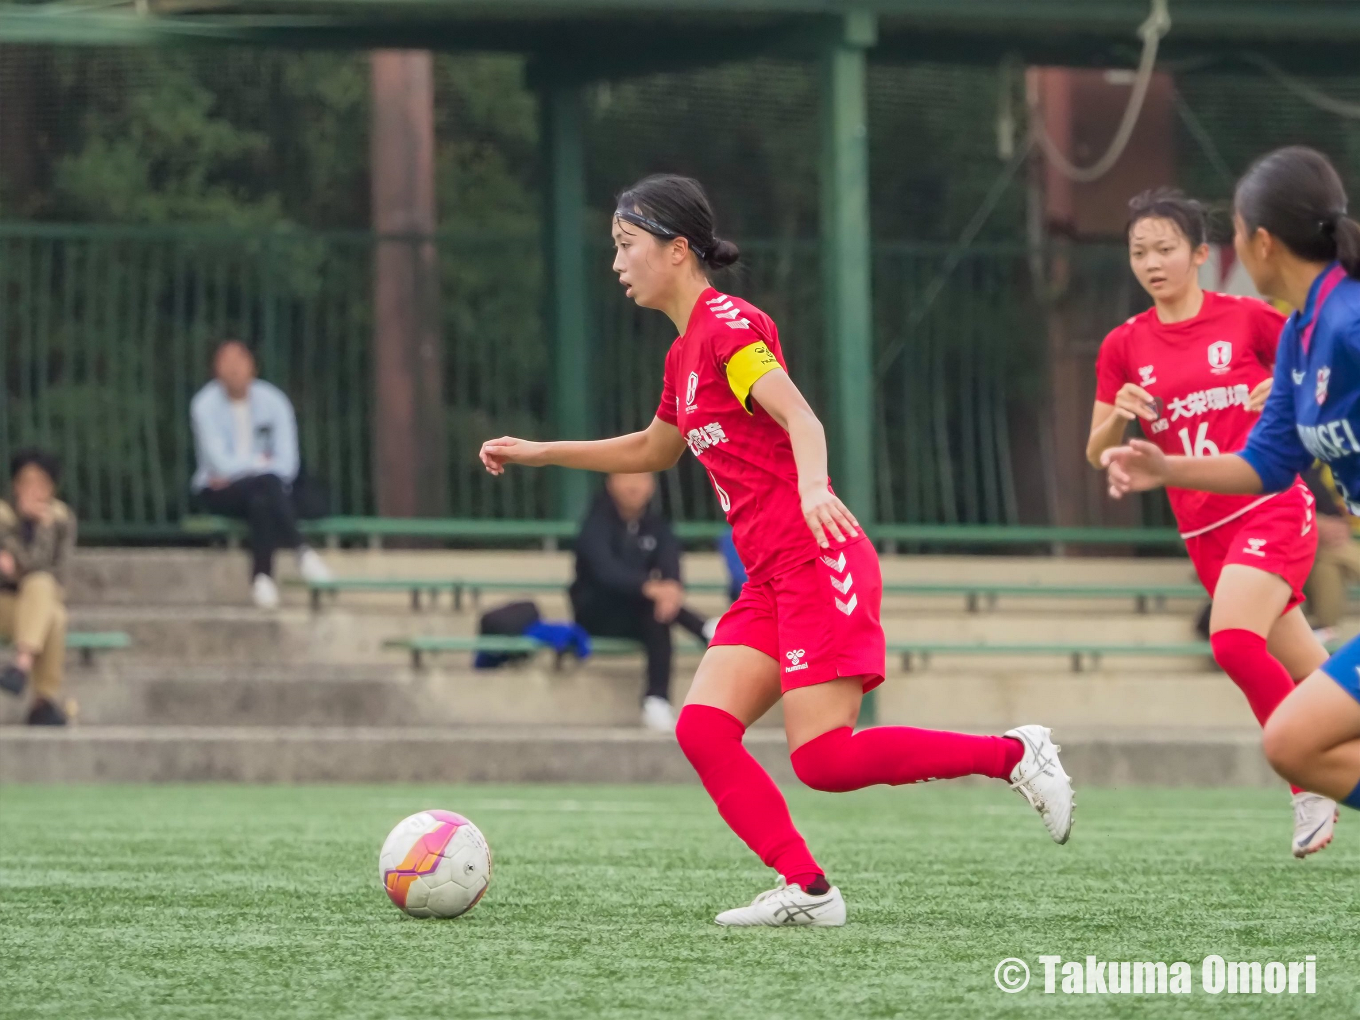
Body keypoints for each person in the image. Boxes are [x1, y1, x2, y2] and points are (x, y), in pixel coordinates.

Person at [481, 173, 1074, 927]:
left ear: (678, 248)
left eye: (627, 246)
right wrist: (540, 452)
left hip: (817, 559)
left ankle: (1015, 755)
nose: (617, 263)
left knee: (823, 761)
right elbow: (653, 449)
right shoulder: (682, 355)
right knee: (702, 728)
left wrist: (816, 487)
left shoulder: (729, 327)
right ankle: (809, 889)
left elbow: (801, 417)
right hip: (769, 577)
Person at [1104, 145, 1360, 826]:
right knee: (1296, 730)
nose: (1153, 262)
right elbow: (1265, 462)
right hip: (1208, 527)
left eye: (1166, 247)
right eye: (1139, 251)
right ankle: (1306, 786)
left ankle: (1307, 797)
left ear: (1252, 243)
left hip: (1268, 520)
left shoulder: (1333, 322)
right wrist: (1159, 467)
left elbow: (1273, 480)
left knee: (1234, 645)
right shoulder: (1304, 335)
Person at [191, 340, 331, 609]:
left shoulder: (274, 401)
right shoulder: (204, 405)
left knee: (262, 499)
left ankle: (263, 580)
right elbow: (220, 464)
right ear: (216, 370)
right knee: (267, 484)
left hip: (266, 489)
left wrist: (251, 469)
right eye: (226, 362)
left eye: (239, 361)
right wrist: (261, 463)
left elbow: (288, 463)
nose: (234, 369)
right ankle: (302, 552)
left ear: (252, 367)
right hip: (219, 488)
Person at [571, 472, 711, 732]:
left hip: (641, 614)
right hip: (597, 614)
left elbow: (671, 569)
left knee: (658, 613)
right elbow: (606, 574)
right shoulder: (595, 524)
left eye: (642, 478)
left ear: (652, 485)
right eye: (626, 477)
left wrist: (670, 589)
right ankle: (704, 629)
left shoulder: (657, 525)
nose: (634, 485)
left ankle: (656, 700)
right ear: (611, 481)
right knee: (652, 604)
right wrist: (650, 588)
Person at [0, 449, 75, 725]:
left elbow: (55, 572)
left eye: (41, 484)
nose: (33, 491)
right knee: (48, 607)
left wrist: (40, 530)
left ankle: (22, 665)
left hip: (38, 603)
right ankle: (42, 700)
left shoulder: (60, 519)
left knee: (47, 598)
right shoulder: (3, 516)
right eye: (26, 482)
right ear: (15, 485)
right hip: (5, 604)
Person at [1302, 463, 1360, 641]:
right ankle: (1325, 631)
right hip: (1294, 538)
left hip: (1324, 544)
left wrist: (1334, 525)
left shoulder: (1310, 466)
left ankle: (1325, 630)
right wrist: (1312, 522)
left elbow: (1330, 510)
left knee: (1327, 566)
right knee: (1332, 551)